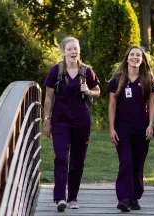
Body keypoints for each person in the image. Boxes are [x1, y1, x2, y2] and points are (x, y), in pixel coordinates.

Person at [43, 36, 101, 212]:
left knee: (78, 160)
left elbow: (98, 91)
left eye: (75, 49)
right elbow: (48, 97)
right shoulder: (56, 71)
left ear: (79, 51)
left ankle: (73, 198)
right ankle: (60, 197)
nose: (73, 52)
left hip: (82, 122)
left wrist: (88, 91)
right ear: (63, 52)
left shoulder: (87, 71)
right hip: (60, 121)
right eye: (69, 49)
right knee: (61, 157)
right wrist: (47, 120)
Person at [107, 45, 154, 212]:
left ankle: (135, 197)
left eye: (139, 55)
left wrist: (151, 125)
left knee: (138, 163)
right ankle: (124, 198)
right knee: (126, 162)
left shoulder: (147, 78)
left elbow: (152, 104)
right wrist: (112, 128)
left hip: (142, 128)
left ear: (142, 60)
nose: (135, 57)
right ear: (127, 57)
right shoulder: (118, 78)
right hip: (123, 128)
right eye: (132, 54)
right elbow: (112, 104)